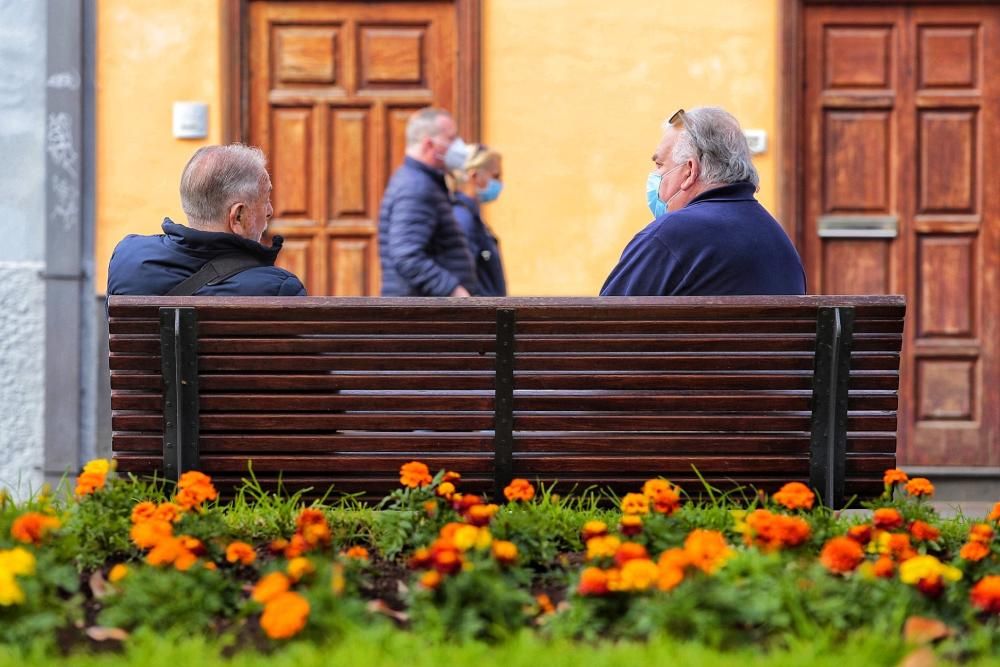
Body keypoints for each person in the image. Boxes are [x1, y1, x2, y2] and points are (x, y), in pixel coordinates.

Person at [601, 107, 805, 296]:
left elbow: (604, 326)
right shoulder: (777, 238)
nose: (655, 175)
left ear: (690, 170)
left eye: (659, 165)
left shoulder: (669, 236)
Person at [107, 143, 306, 297]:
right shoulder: (279, 289)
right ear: (238, 216)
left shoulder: (127, 257)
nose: (270, 211)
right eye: (266, 200)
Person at [378, 108, 478, 297]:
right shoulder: (416, 187)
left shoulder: (423, 181)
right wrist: (455, 291)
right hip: (420, 315)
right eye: (451, 138)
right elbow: (407, 255)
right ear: (429, 144)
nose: (459, 146)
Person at [451, 144, 507, 296]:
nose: (501, 183)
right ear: (474, 176)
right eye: (495, 176)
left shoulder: (472, 216)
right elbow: (463, 276)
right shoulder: (462, 219)